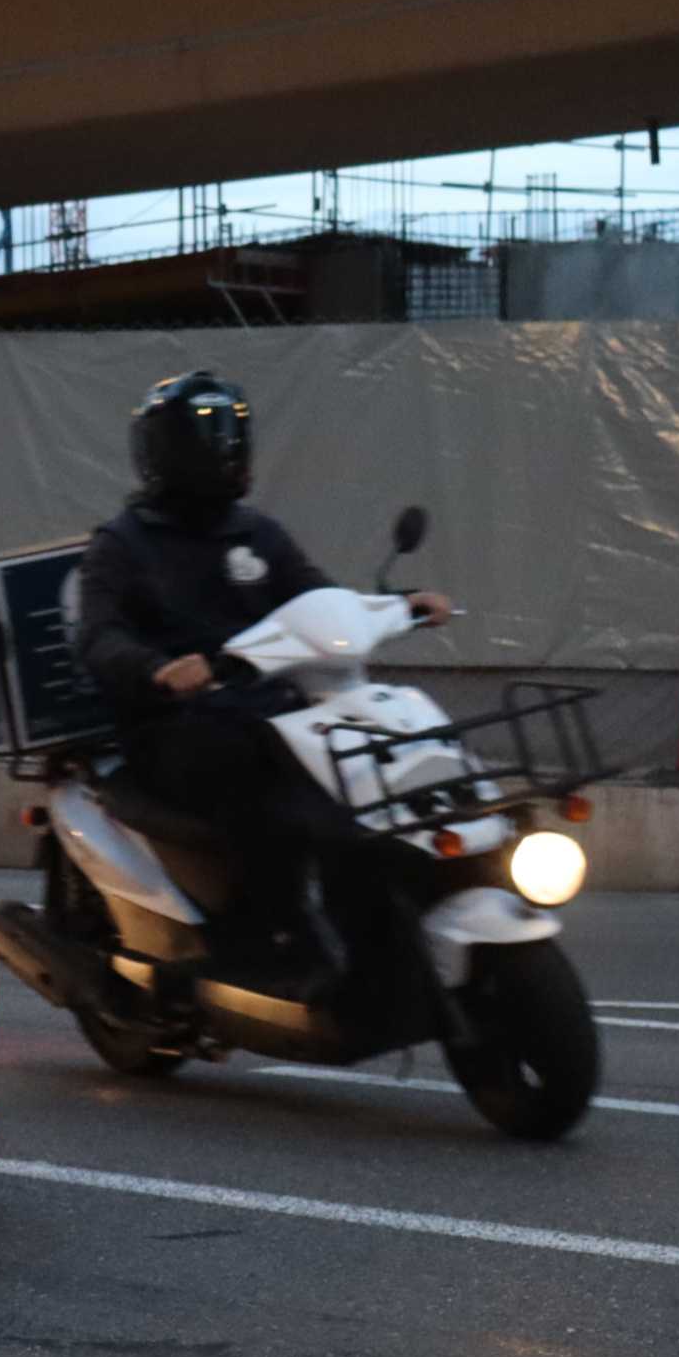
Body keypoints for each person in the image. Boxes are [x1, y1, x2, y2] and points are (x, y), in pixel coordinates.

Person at [73, 370, 453, 996]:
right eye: (210, 439)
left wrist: (400, 604)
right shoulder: (123, 545)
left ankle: (373, 920)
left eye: (233, 435)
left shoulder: (257, 534)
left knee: (364, 751)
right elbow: (99, 637)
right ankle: (277, 940)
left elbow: (320, 599)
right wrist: (158, 669)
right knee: (258, 778)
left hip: (270, 711)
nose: (227, 450)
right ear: (169, 452)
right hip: (173, 726)